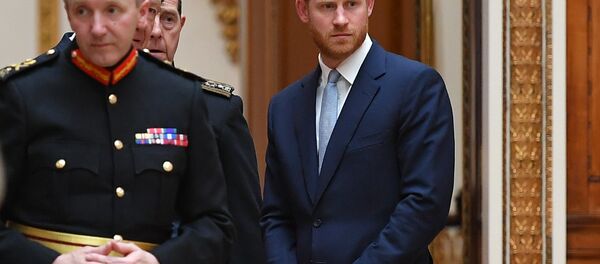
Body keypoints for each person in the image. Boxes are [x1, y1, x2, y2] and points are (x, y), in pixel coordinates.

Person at [0, 0, 234, 263]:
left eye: (112, 10)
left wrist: (159, 261)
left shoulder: (180, 98)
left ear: (142, 13)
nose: (98, 28)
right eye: (83, 11)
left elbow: (214, 225)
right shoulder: (24, 94)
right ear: (68, 13)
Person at [260, 0, 455, 263]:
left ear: (370, 5)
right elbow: (276, 215)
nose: (341, 18)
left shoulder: (416, 87)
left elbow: (425, 204)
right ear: (303, 10)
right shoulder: (284, 107)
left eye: (352, 4)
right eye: (327, 6)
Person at [146, 1, 266, 263]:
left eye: (168, 19)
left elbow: (245, 236)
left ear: (181, 26)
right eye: (148, 14)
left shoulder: (217, 110)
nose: (156, 31)